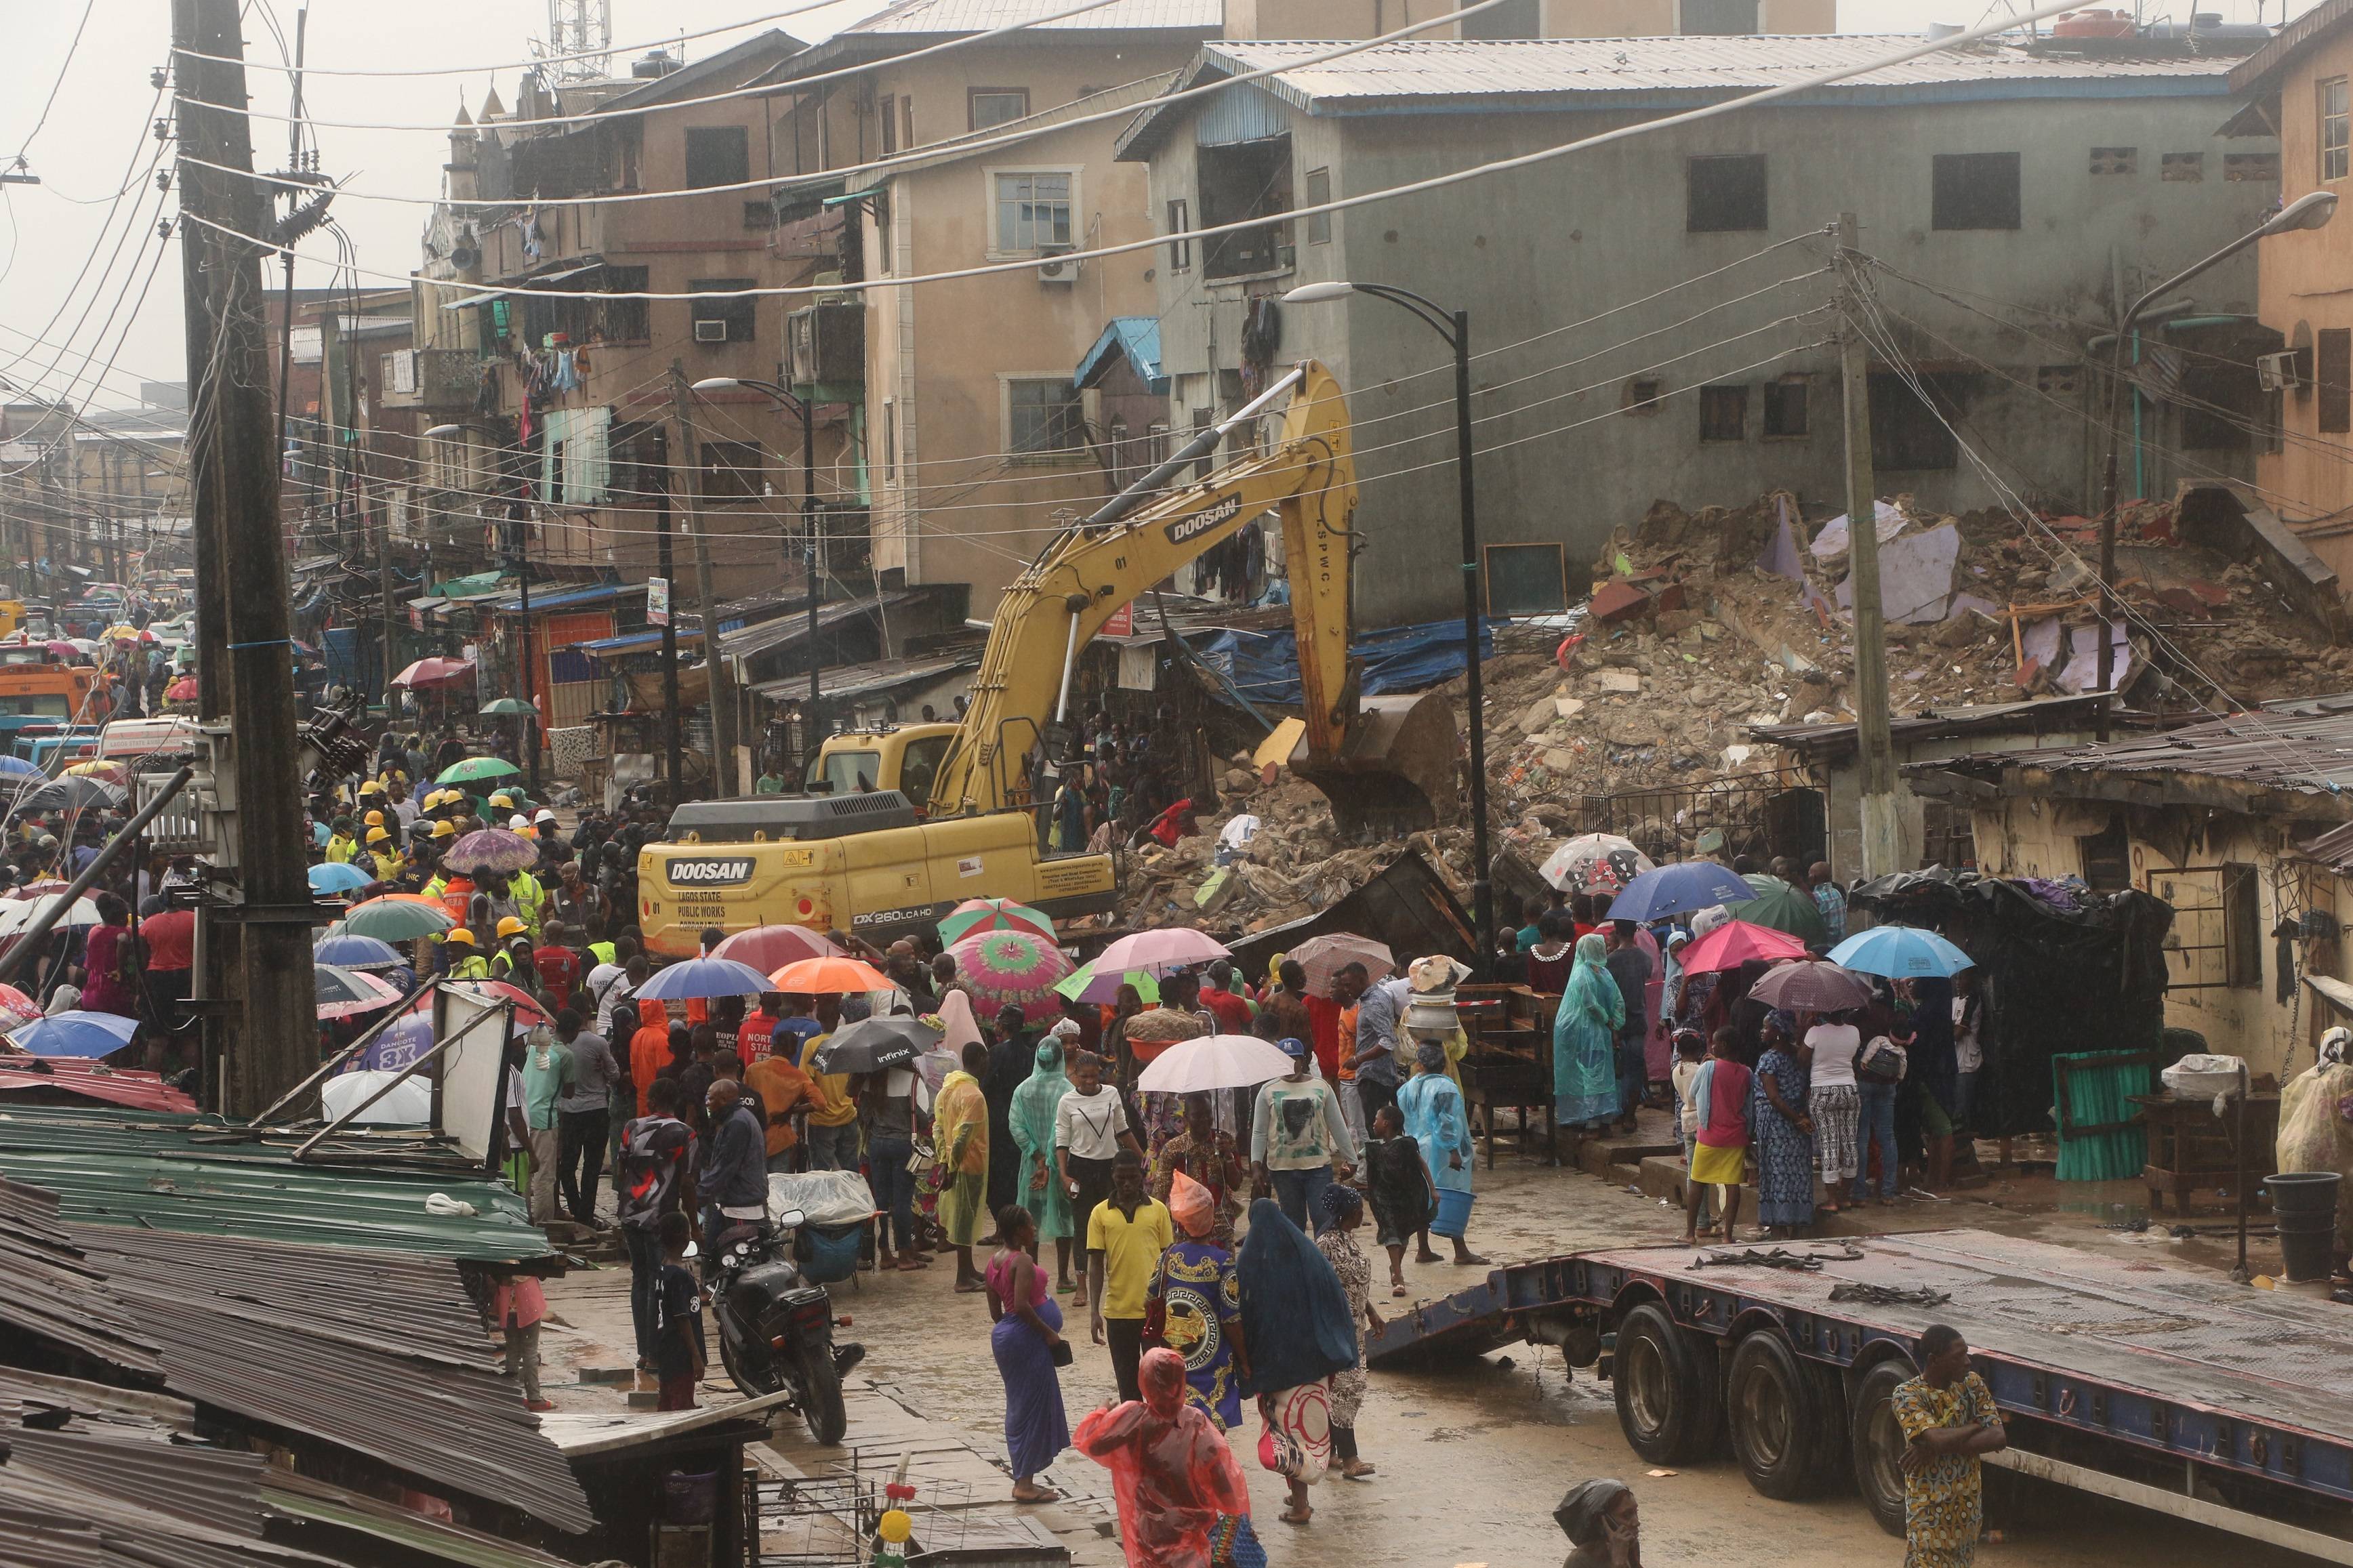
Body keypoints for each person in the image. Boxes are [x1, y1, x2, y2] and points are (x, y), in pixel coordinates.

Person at [1235, 1199, 1356, 1527]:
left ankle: (1301, 1505)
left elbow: (1240, 1315)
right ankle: (1298, 1493)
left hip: (1274, 1367)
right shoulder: (1308, 1254)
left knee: (1287, 1437)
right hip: (1313, 1363)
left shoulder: (1250, 1260)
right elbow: (1335, 1299)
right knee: (1305, 1430)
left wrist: (1245, 1365)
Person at [1073, 1346, 1250, 1568]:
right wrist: (1237, 1516)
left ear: (1144, 1382)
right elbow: (1219, 1473)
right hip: (1194, 1528)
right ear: (1182, 1382)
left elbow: (1094, 1444)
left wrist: (1100, 1413)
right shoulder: (1195, 1422)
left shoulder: (1135, 1420)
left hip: (1151, 1528)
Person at [1893, 1324, 2007, 1568]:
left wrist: (1935, 1447)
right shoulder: (1908, 1394)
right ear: (1934, 1360)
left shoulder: (1972, 1384)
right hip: (1929, 1515)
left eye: (1967, 1354)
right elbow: (1938, 1439)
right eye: (1958, 1357)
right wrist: (1975, 1426)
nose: (1967, 1362)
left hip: (1967, 1513)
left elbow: (1998, 1437)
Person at [1147, 1169, 1244, 1434]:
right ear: (1211, 1221)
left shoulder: (1168, 1257)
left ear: (1181, 1223)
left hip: (1176, 1361)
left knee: (1177, 1433)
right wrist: (1245, 1361)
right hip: (1214, 1367)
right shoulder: (1223, 1262)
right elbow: (1232, 1320)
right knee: (1211, 1438)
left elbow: (1150, 1301)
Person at [985, 1203, 1069, 1503]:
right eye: (1030, 1225)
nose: (1034, 1229)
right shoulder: (1021, 1261)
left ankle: (1025, 1476)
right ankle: (1024, 1483)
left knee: (1019, 1406)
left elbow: (997, 1313)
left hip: (1008, 1338)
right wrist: (1048, 1333)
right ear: (1018, 1230)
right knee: (1030, 1409)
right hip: (1027, 1340)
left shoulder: (993, 1261)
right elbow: (1020, 1305)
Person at [617, 1077, 697, 1378]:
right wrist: (693, 1224)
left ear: (650, 1100)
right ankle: (653, 1355)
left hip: (631, 1214)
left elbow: (622, 1169)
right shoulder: (686, 1135)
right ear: (675, 1101)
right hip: (661, 1220)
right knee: (656, 1284)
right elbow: (688, 1182)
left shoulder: (631, 1127)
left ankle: (643, 1353)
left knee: (640, 1280)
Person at [1056, 1049, 1142, 1310]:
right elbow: (1062, 1141)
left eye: (1094, 1076)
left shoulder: (1111, 1094)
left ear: (1100, 1075)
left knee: (1115, 1224)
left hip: (1110, 1169)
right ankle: (1081, 1286)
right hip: (1080, 1168)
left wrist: (1143, 1158)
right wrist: (1063, 1174)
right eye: (1084, 1077)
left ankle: (1116, 1280)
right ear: (1075, 1076)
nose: (1090, 1081)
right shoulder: (1067, 1102)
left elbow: (1123, 1129)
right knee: (1083, 1227)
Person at [1087, 1149, 1174, 1405]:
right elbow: (1095, 1264)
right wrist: (1094, 1312)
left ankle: (1160, 1443)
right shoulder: (1099, 1214)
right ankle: (1137, 1443)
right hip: (1118, 1314)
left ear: (1142, 1177)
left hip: (1155, 1314)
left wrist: (1170, 1307)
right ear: (1112, 1176)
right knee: (1128, 1393)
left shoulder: (1159, 1211)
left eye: (1133, 1178)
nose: (1127, 1184)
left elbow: (1168, 1261)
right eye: (1121, 1178)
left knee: (1160, 1390)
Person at [1248, 1036, 1355, 1235]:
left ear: (1303, 1061)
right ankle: (1298, 1264)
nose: (1290, 1065)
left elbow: (1337, 1125)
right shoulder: (1268, 1090)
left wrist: (1352, 1158)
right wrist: (1255, 1166)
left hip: (1317, 1168)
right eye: (1284, 1060)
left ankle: (1322, 1263)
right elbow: (1259, 1132)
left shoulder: (1322, 1087)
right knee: (1292, 1223)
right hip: (1283, 1170)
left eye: (1294, 1060)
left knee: (1323, 1220)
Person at [1397, 1039, 1488, 1266]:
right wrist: (1454, 1151)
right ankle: (1461, 1250)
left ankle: (1424, 1249)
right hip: (1439, 1150)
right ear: (1444, 1062)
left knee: (1422, 1195)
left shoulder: (1407, 1088)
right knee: (1450, 1193)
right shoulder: (1446, 1087)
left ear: (1419, 1063)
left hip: (1416, 1147)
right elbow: (1447, 1123)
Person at [1311, 1184, 1380, 1481]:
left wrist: (1372, 1312)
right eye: (1360, 1210)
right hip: (1336, 1327)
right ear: (1350, 1213)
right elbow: (1316, 1285)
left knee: (1345, 1387)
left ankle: (1331, 1452)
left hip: (1356, 1327)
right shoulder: (1325, 1244)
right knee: (1347, 1388)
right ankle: (1350, 1458)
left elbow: (1355, 1285)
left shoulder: (1350, 1241)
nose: (1363, 1214)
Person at [1009, 1036, 1079, 1293]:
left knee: (1030, 1218)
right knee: (1064, 1217)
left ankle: (1032, 1273)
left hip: (1031, 1165)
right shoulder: (1067, 1090)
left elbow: (1015, 1126)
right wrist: (1049, 1162)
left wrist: (1036, 1156)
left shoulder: (1023, 1089)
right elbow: (1062, 1130)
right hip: (1059, 1164)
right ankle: (1062, 1278)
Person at [863, 1048, 929, 1272]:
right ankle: (905, 1255)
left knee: (880, 1200)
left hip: (876, 1145)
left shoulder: (872, 1080)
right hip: (903, 1145)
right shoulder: (913, 1081)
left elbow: (863, 1115)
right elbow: (923, 1118)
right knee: (902, 1201)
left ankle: (885, 1253)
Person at [1148, 1092, 1247, 1242]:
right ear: (1186, 1117)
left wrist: (1228, 1156)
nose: (1205, 1120)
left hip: (1220, 1225)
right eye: (1198, 1116)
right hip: (1186, 1228)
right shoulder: (1174, 1149)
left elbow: (1236, 1184)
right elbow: (1161, 1193)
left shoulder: (1224, 1141)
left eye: (1208, 1114)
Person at [1683, 1028, 1751, 1245]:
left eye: (1715, 1043)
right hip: (1736, 1136)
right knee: (1733, 1185)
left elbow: (1692, 1093)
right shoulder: (1747, 1072)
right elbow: (1749, 1105)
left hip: (1710, 1136)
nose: (1712, 1046)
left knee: (1697, 1182)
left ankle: (1690, 1233)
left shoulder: (1708, 1068)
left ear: (1722, 1046)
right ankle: (1727, 1235)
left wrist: (1708, 1068)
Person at [1751, 1013, 1815, 1240]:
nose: (1762, 1031)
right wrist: (1801, 1118)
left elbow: (1774, 1097)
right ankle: (1798, 1226)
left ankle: (1778, 1229)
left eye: (1766, 1027)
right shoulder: (1800, 1057)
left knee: (1775, 1173)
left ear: (1777, 1031)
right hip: (1799, 1120)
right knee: (1798, 1174)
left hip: (1776, 1123)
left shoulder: (1769, 1059)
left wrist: (1796, 1119)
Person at [935, 1040, 993, 1292]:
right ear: (981, 1060)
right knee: (964, 1220)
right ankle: (963, 1277)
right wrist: (952, 1165)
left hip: (955, 1163)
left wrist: (944, 1162)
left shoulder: (948, 1088)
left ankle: (968, 1269)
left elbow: (938, 1127)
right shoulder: (973, 1095)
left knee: (963, 1216)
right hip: (968, 1164)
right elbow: (963, 1134)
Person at [1553, 933, 1624, 1136]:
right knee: (1597, 1075)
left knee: (1593, 1076)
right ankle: (1600, 1120)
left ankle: (1596, 1121)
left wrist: (1608, 1020)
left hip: (1589, 1032)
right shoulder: (1597, 974)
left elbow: (1595, 1003)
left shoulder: (1588, 974)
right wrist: (1612, 1022)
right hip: (1595, 1032)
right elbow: (1604, 1003)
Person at [554, 1008, 618, 1229]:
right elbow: (615, 1074)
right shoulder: (598, 1043)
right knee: (592, 1166)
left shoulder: (556, 1045)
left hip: (569, 1113)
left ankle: (576, 1208)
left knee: (568, 1166)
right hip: (596, 1111)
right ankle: (585, 1216)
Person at [697, 1078, 769, 1272]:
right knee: (711, 1252)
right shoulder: (737, 1119)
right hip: (733, 1203)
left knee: (736, 1262)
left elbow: (724, 1169)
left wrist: (696, 1197)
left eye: (711, 1099)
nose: (707, 1104)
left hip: (741, 1206)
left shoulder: (737, 1123)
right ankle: (709, 1289)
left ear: (725, 1099)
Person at [1362, 1103, 1432, 1298]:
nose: (1373, 1123)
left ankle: (1395, 1266)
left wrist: (1433, 1190)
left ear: (1386, 1123)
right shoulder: (1373, 1149)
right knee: (1391, 1233)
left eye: (1376, 1119)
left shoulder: (1407, 1144)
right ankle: (1399, 1278)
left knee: (1403, 1236)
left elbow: (1422, 1165)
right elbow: (1354, 1160)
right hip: (1384, 1199)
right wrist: (1347, 1169)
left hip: (1406, 1198)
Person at [1805, 1008, 1863, 1216]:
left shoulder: (1815, 1032)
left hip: (1823, 1090)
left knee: (1829, 1143)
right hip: (1849, 1088)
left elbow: (1802, 1058)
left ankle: (1831, 1201)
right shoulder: (1854, 1032)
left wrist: (1808, 1028)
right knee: (1849, 1142)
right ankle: (1845, 1197)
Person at [983, 1005, 1034, 1223]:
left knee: (997, 1175)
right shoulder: (1029, 1053)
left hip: (998, 1120)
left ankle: (1001, 1226)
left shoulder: (996, 1053)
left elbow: (986, 1085)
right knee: (1015, 1172)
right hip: (1022, 1119)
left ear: (1003, 1026)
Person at [652, 1210, 707, 1411]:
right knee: (682, 1405)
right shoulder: (680, 1277)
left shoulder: (662, 1271)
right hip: (681, 1352)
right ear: (686, 1238)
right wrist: (696, 1355)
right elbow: (683, 1318)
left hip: (666, 1349)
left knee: (666, 1400)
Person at [520, 1024, 575, 1224]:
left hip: (524, 1116)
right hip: (545, 1120)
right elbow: (570, 1092)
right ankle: (544, 1226)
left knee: (525, 1174)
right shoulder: (566, 1056)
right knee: (544, 1177)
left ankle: (523, 1219)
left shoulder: (535, 1045)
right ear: (574, 1030)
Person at [798, 997, 861, 1171]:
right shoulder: (849, 1043)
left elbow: (805, 1082)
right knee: (850, 1173)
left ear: (819, 1019)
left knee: (821, 1175)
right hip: (848, 1116)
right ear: (838, 1018)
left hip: (821, 1120)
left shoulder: (811, 1046)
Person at [1854, 1018, 1910, 1207]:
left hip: (1866, 1085)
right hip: (1887, 1089)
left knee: (1862, 1138)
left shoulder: (1879, 1039)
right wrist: (1898, 1079)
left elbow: (1868, 1054)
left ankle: (1859, 1194)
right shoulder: (1902, 1051)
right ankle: (1887, 1193)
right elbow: (1902, 1071)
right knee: (1888, 1138)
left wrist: (1863, 1063)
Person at [744, 1020, 814, 1172]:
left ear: (773, 1049)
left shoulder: (753, 1070)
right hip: (781, 1138)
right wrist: (793, 1111)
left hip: (756, 1137)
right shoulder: (799, 1077)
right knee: (780, 1187)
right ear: (794, 1053)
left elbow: (745, 1100)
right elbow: (820, 1103)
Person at [1602, 922, 1653, 1130]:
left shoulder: (1610, 961)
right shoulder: (1645, 959)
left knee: (1617, 1070)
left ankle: (1619, 1111)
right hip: (1638, 1020)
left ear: (1618, 932)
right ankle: (1630, 1116)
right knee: (1635, 1068)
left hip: (1616, 1022)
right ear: (1635, 932)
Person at [488, 1268, 554, 1411]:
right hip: (527, 1299)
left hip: (507, 1302)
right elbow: (542, 1273)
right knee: (530, 1352)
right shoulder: (528, 1250)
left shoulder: (500, 1250)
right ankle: (534, 1398)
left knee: (512, 1351)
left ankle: (511, 1396)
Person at [1554, 1479, 1642, 1568]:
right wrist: (1619, 1563)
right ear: (1604, 1521)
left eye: (1636, 1512)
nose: (1637, 1522)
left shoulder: (1629, 1546)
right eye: (1626, 1515)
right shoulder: (1579, 1560)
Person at [79, 894, 138, 1019]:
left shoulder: (93, 932)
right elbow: (122, 940)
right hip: (114, 995)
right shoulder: (124, 932)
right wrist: (120, 970)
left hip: (91, 994)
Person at [1810, 862, 1849, 947]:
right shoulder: (1837, 892)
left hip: (1825, 948)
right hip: (1840, 946)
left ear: (1813, 877)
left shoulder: (1816, 897)